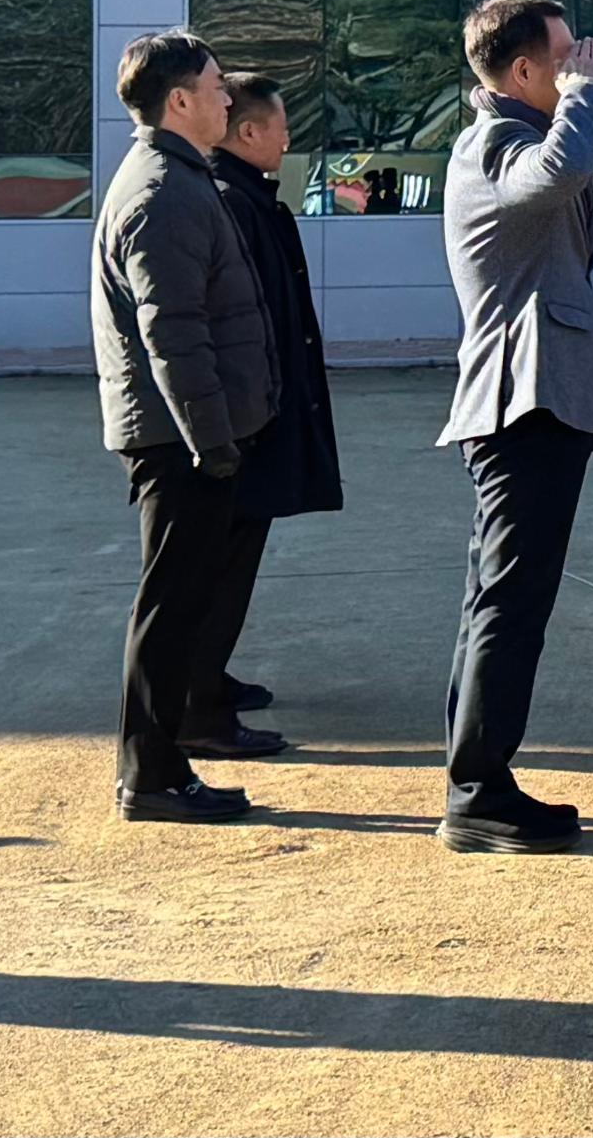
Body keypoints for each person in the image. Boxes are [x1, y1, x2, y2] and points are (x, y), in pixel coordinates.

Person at [435, 0, 593, 856]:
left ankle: (478, 780)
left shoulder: (505, 136)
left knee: (499, 600)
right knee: (510, 604)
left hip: (532, 403)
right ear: (522, 72)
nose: (582, 60)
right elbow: (557, 175)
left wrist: (573, 98)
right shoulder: (499, 146)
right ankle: (477, 793)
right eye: (564, 54)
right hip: (523, 406)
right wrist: (585, 99)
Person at [88, 30, 277, 826]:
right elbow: (175, 335)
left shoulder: (179, 176)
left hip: (187, 433)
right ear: (178, 101)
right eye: (216, 85)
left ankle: (161, 765)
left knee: (178, 602)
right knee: (169, 608)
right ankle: (152, 774)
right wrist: (212, 441)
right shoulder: (164, 190)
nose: (228, 97)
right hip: (180, 440)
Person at [190, 72, 343, 762]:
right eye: (280, 126)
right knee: (218, 563)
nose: (288, 139)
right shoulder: (232, 203)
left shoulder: (249, 198)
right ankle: (197, 702)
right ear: (249, 133)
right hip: (244, 421)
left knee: (233, 556)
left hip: (257, 413)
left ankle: (207, 678)